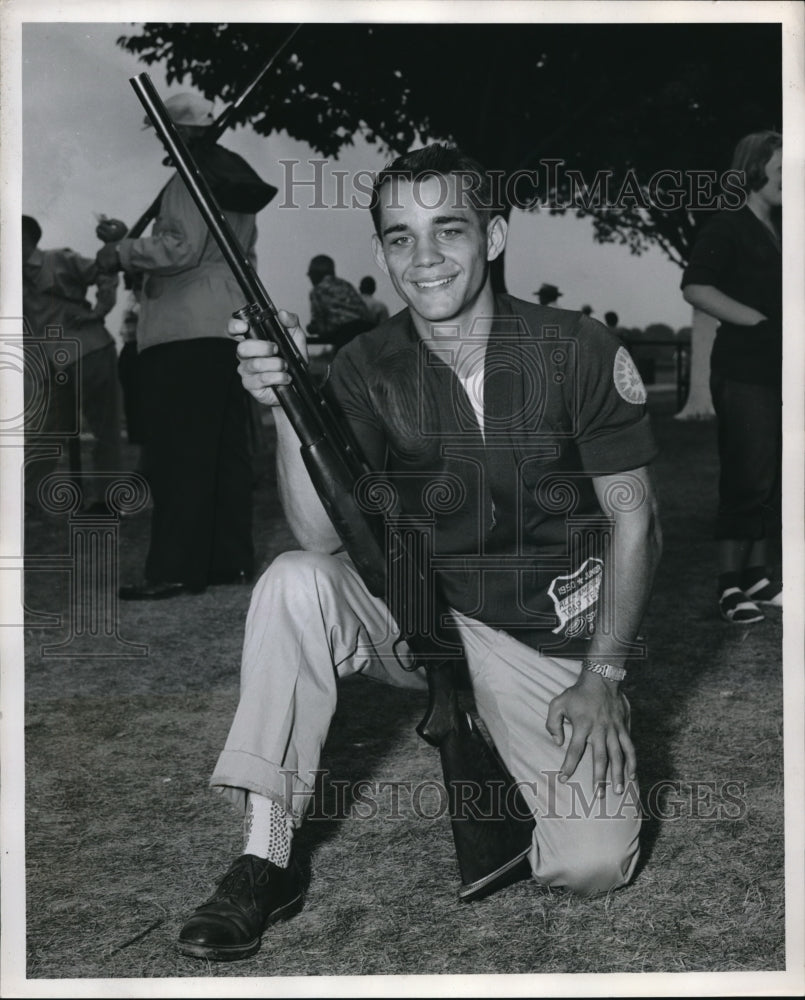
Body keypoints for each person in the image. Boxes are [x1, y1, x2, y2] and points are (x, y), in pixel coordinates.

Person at [176, 143, 662, 962]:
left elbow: (636, 522)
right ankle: (265, 856)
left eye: (450, 230)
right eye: (400, 237)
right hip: (417, 619)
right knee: (294, 582)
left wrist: (602, 677)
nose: (425, 257)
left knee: (590, 866)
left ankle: (512, 758)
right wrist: (283, 405)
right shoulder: (366, 363)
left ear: (495, 236)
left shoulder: (577, 347)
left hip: (542, 642)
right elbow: (321, 536)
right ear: (380, 254)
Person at [95, 92, 276, 599]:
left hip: (183, 332)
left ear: (175, 133)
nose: (159, 141)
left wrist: (120, 251)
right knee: (223, 451)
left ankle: (175, 568)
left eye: (161, 132)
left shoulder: (187, 181)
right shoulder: (227, 180)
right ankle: (228, 561)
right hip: (226, 327)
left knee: (180, 454)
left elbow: (180, 247)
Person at [681, 130, 782, 624]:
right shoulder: (728, 227)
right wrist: (759, 321)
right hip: (743, 372)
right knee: (746, 478)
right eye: (782, 169)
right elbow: (697, 287)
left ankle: (759, 576)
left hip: (777, 373)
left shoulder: (780, 227)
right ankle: (728, 587)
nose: (791, 179)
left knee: (771, 479)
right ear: (756, 171)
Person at [22, 214, 122, 515]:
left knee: (104, 427)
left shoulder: (59, 259)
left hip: (90, 350)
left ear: (26, 236)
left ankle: (107, 501)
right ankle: (28, 498)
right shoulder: (10, 278)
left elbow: (105, 269)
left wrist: (101, 310)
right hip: (54, 363)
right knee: (49, 429)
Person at [305, 254, 374, 354]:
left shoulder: (317, 291)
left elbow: (321, 326)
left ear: (315, 274)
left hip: (346, 335)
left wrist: (313, 328)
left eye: (310, 274)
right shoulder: (346, 285)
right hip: (368, 330)